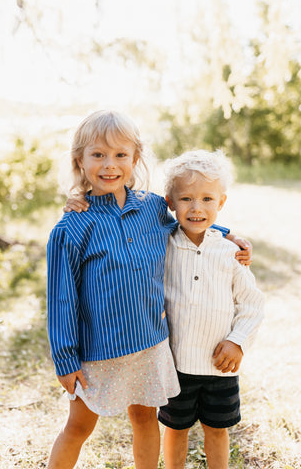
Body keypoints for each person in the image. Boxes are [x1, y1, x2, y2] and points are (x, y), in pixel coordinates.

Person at [52, 110, 252, 469]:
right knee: (78, 426)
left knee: (144, 419)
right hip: (99, 348)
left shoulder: (152, 208)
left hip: (149, 343)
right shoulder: (72, 226)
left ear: (135, 158)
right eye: (98, 155)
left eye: (120, 155)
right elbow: (62, 299)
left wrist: (229, 235)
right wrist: (65, 359)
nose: (109, 165)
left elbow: (192, 216)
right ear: (79, 161)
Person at [157, 149, 265, 469]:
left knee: (217, 431)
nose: (196, 207)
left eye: (207, 199)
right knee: (176, 431)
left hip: (219, 367)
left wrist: (238, 340)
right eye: (186, 198)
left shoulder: (230, 252)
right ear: (170, 202)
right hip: (175, 364)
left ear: (221, 203)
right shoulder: (163, 244)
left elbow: (252, 303)